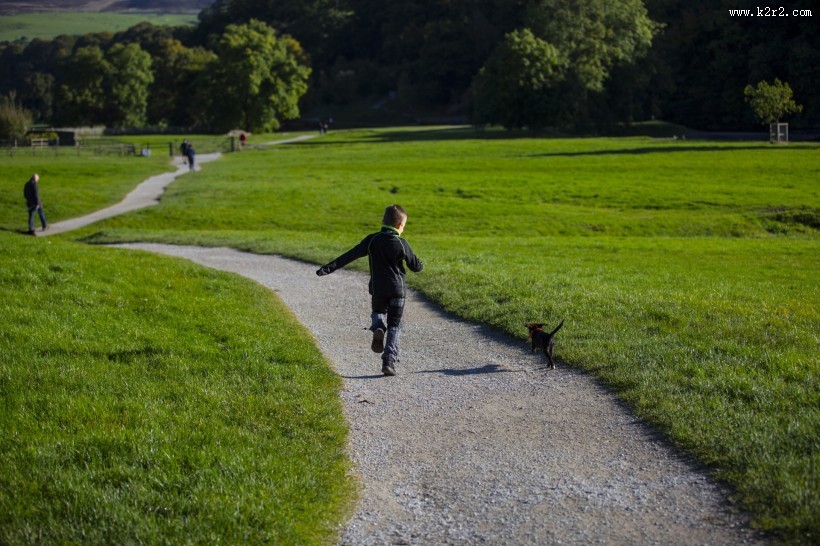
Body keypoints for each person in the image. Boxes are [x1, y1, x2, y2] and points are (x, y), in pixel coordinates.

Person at [316, 204, 424, 376]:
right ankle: (389, 362)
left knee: (378, 313)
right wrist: (420, 264)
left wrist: (329, 268)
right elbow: (415, 266)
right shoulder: (402, 244)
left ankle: (378, 327)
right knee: (395, 325)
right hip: (398, 291)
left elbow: (351, 254)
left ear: (383, 221)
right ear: (400, 226)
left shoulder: (372, 240)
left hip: (378, 289)